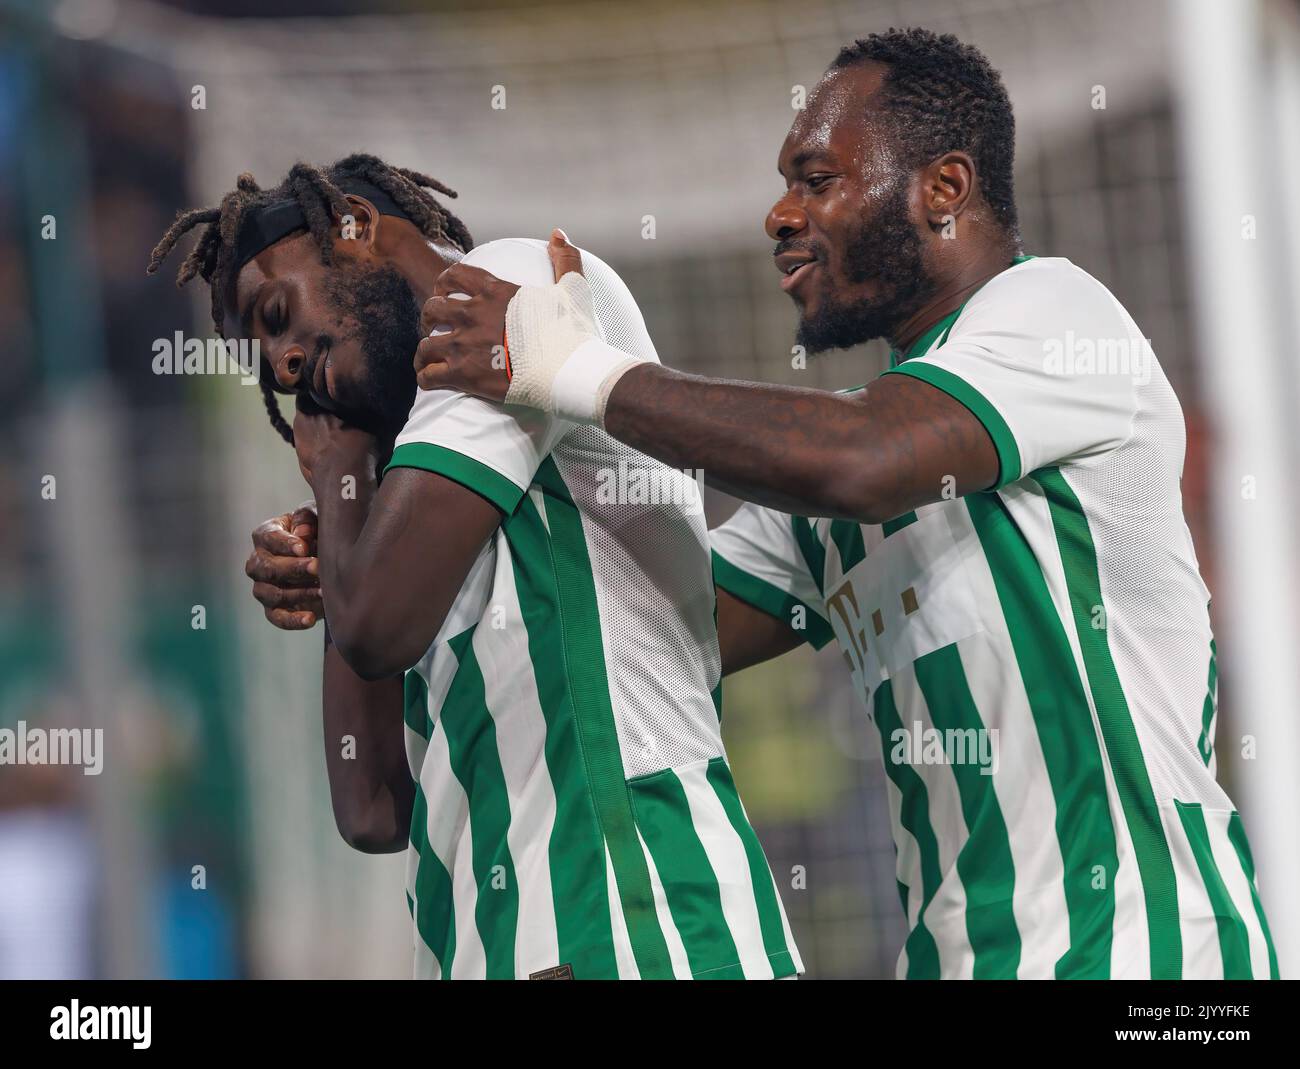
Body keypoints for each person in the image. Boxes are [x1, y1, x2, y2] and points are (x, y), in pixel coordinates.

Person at [407, 29, 1278, 979]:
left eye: (816, 179)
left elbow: (861, 457)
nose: (780, 213)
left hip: (1155, 966)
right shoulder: (844, 478)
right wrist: (414, 523)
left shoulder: (1056, 318)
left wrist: (573, 368)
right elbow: (644, 642)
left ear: (945, 188)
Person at [149, 154, 801, 980]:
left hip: (627, 925)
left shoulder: (502, 292)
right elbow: (373, 807)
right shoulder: (406, 487)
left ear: (354, 226)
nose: (281, 365)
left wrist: (334, 476)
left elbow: (378, 628)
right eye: (264, 352)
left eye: (278, 313)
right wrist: (340, 537)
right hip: (495, 945)